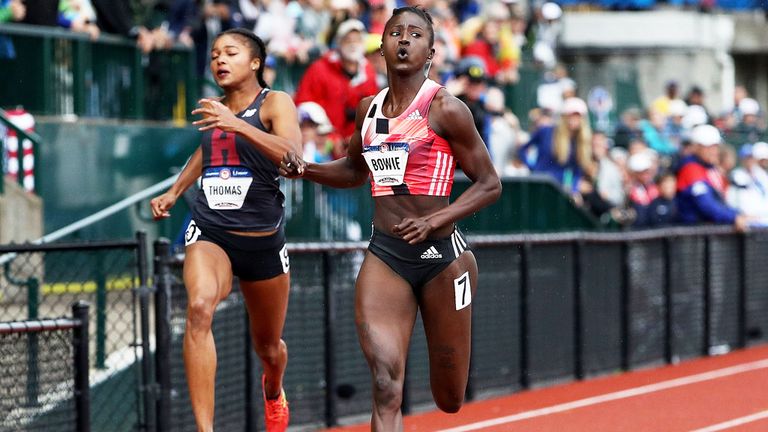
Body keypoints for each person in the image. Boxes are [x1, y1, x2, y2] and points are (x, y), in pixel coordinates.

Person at [281, 7, 501, 430]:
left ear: (431, 52)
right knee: (385, 383)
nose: (403, 40)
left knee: (450, 398)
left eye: (415, 34)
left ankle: (462, 276)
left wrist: (439, 219)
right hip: (386, 256)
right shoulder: (368, 109)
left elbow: (490, 184)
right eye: (395, 32)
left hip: (442, 258)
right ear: (380, 47)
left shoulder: (446, 108)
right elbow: (353, 170)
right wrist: (304, 169)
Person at [150, 28, 300, 432]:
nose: (219, 59)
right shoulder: (214, 110)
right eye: (214, 53)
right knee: (198, 308)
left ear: (255, 63)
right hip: (212, 231)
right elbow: (208, 150)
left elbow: (293, 157)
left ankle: (273, 389)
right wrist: (174, 191)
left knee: (269, 348)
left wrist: (239, 124)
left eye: (230, 53)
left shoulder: (275, 103)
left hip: (262, 242)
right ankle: (205, 429)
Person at [294, 18, 379, 144]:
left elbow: (373, 111)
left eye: (357, 40)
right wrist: (329, 137)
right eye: (348, 40)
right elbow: (304, 106)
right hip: (322, 143)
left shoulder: (368, 72)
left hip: (355, 144)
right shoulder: (319, 69)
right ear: (339, 43)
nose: (353, 44)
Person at [676, 124, 748, 231]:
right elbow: (706, 205)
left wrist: (738, 214)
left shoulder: (709, 168)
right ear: (696, 147)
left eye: (716, 146)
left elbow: (720, 202)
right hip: (693, 235)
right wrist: (733, 217)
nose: (714, 151)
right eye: (708, 147)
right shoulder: (691, 168)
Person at [518, 97, 594, 196]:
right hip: (540, 184)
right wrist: (532, 167)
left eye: (577, 116)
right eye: (570, 115)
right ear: (564, 117)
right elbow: (522, 149)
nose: (574, 119)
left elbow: (575, 172)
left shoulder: (580, 142)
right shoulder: (546, 131)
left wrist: (573, 188)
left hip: (559, 189)